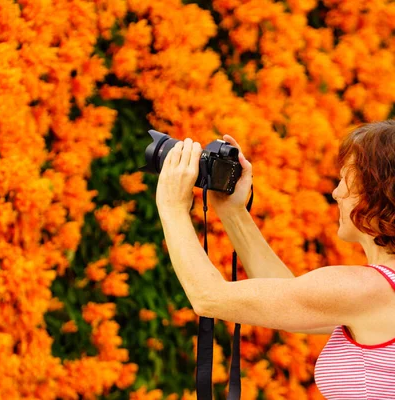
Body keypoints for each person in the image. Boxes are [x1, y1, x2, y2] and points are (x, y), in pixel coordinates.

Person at [155, 120, 395, 399]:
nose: (336, 192)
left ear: (378, 191)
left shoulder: (366, 289)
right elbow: (293, 296)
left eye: (346, 179)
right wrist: (233, 212)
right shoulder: (372, 292)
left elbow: (208, 297)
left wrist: (171, 206)